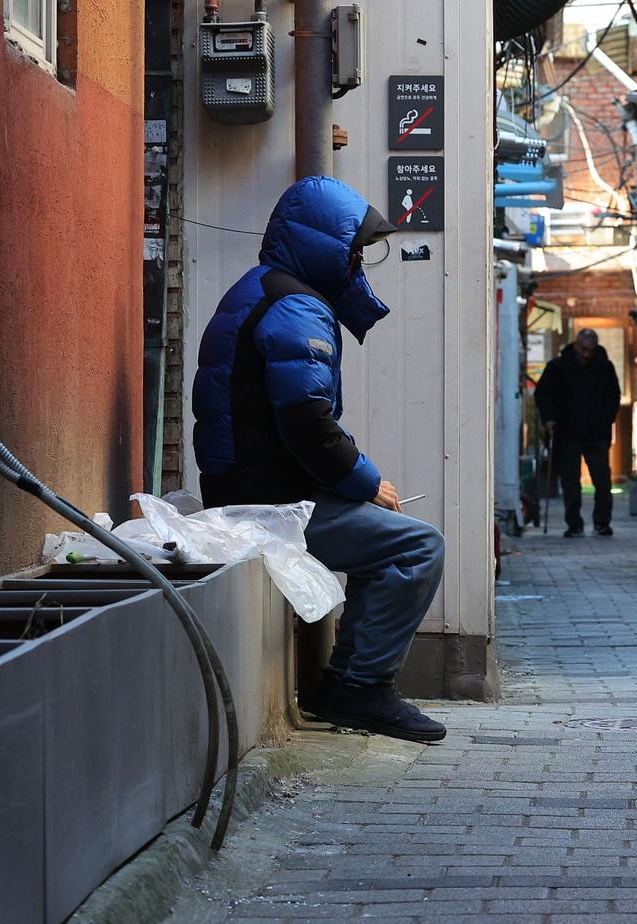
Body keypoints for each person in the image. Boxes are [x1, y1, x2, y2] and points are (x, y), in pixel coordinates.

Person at [192, 176, 447, 743]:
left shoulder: (262, 290)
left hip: (251, 489)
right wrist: (367, 481)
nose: (359, 263)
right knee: (417, 546)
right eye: (354, 250)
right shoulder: (296, 307)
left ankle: (348, 683)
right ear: (323, 244)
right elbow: (309, 425)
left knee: (385, 541)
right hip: (272, 504)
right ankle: (359, 689)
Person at [534, 328, 621, 537]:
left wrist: (606, 420)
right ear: (575, 345)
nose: (586, 355)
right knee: (570, 480)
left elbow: (613, 396)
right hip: (567, 431)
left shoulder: (604, 367)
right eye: (583, 350)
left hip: (596, 432)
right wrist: (549, 419)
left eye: (590, 351)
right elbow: (542, 394)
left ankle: (602, 522)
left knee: (602, 479)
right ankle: (574, 523)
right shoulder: (557, 367)